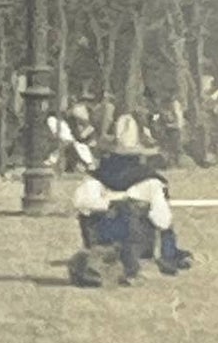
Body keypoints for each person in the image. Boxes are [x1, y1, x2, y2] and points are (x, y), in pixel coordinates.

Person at [71, 114, 194, 285]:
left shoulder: (95, 179)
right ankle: (166, 257)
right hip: (135, 241)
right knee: (154, 217)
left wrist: (111, 203)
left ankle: (102, 258)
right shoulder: (151, 182)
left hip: (99, 236)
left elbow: (81, 203)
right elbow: (162, 220)